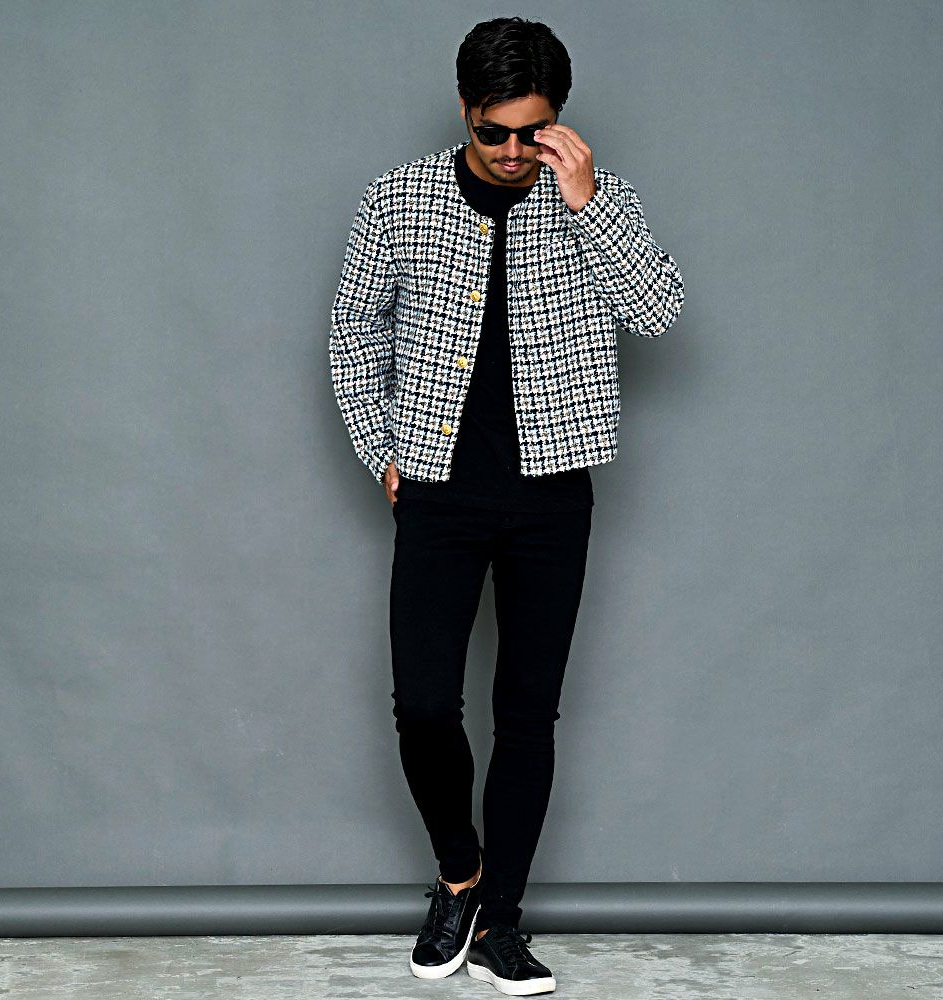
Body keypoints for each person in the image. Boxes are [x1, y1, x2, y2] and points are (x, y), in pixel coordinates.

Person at [329, 16, 684, 996]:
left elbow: (658, 311)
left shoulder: (595, 199)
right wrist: (382, 450)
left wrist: (589, 205)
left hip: (551, 495)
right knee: (423, 706)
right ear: (464, 111)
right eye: (496, 132)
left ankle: (501, 925)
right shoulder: (397, 198)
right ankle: (460, 877)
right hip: (438, 488)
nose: (516, 151)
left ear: (557, 120)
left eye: (535, 131)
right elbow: (354, 329)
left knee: (527, 714)